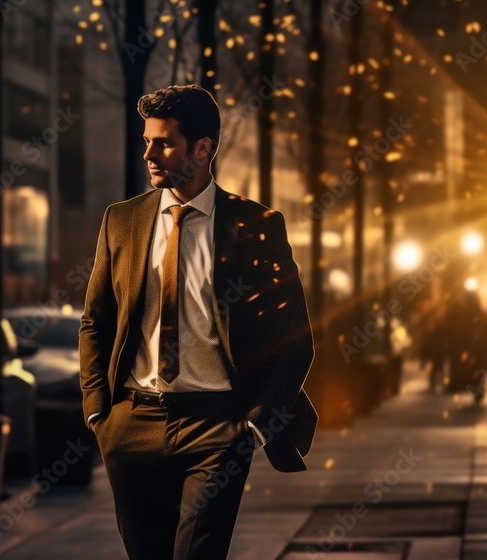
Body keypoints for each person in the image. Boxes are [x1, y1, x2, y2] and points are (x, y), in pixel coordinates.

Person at [79, 84, 316, 560]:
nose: (149, 153)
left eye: (163, 142)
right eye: (147, 140)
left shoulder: (254, 226)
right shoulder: (121, 221)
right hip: (132, 422)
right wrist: (99, 411)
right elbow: (95, 321)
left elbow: (295, 341)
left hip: (217, 427)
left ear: (203, 148)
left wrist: (254, 426)